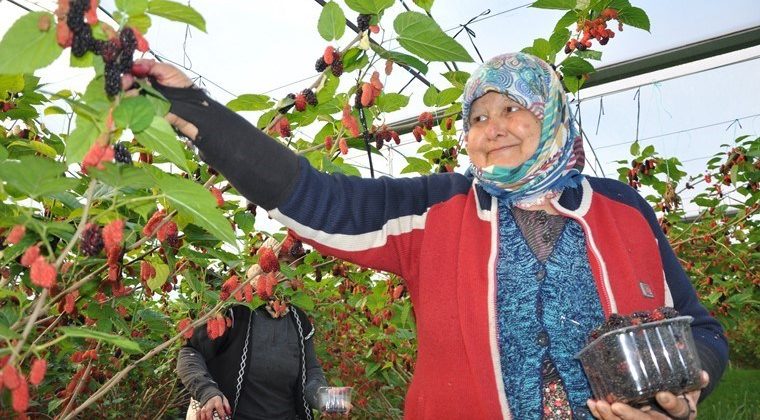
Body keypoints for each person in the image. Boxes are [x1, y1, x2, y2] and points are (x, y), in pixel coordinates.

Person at [131, 51, 728, 419]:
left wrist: (682, 385)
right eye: (477, 116)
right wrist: (199, 115)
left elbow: (698, 332)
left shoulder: (624, 208)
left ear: (550, 114)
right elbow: (314, 195)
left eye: (513, 108)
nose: (493, 128)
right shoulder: (435, 208)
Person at [177, 302, 327, 420]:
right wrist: (207, 391)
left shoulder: (299, 320)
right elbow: (191, 351)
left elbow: (311, 371)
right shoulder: (232, 310)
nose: (282, 270)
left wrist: (326, 399)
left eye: (291, 263)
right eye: (280, 262)